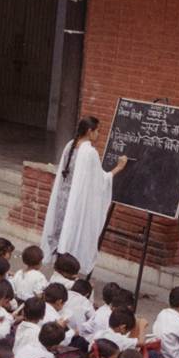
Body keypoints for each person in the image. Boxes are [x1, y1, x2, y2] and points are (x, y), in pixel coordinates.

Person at [40, 117, 128, 275]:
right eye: (97, 131)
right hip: (75, 201)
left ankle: (58, 264)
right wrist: (119, 168)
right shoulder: (89, 152)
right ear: (89, 131)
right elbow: (100, 181)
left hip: (62, 197)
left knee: (61, 230)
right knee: (71, 232)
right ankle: (67, 268)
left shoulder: (70, 146)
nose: (99, 134)